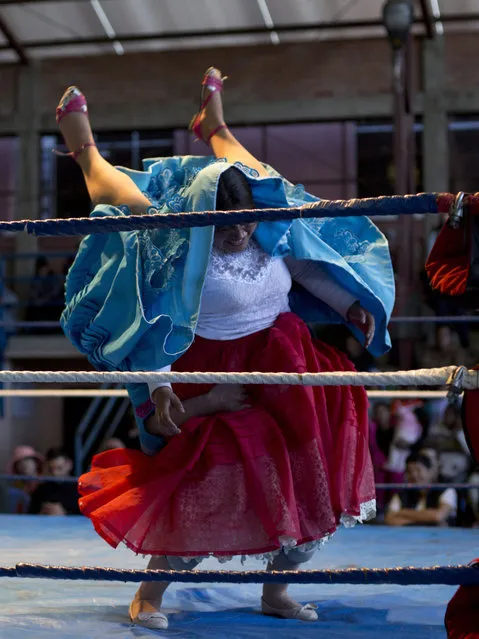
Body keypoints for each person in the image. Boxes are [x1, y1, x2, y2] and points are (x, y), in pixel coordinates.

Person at [58, 67, 395, 630]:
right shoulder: (174, 240)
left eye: (244, 225)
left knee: (306, 475)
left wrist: (346, 305)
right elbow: (153, 320)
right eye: (228, 228)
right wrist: (165, 386)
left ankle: (214, 126)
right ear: (207, 224)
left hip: (282, 359)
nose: (240, 236)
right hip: (206, 363)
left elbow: (308, 263)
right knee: (201, 479)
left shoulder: (264, 220)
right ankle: (84, 149)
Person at [385, 452, 457, 527]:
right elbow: (389, 519)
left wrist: (402, 513)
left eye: (418, 470)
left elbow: (438, 516)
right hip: (408, 537)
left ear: (430, 472)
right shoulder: (401, 494)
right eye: (409, 471)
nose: (414, 475)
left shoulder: (445, 489)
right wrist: (427, 519)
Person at [28, 448, 80, 516]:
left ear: (69, 465)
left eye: (59, 468)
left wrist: (65, 514)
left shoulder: (81, 491)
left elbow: (87, 519)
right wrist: (42, 513)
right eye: (51, 469)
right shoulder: (40, 491)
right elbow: (30, 516)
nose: (55, 473)